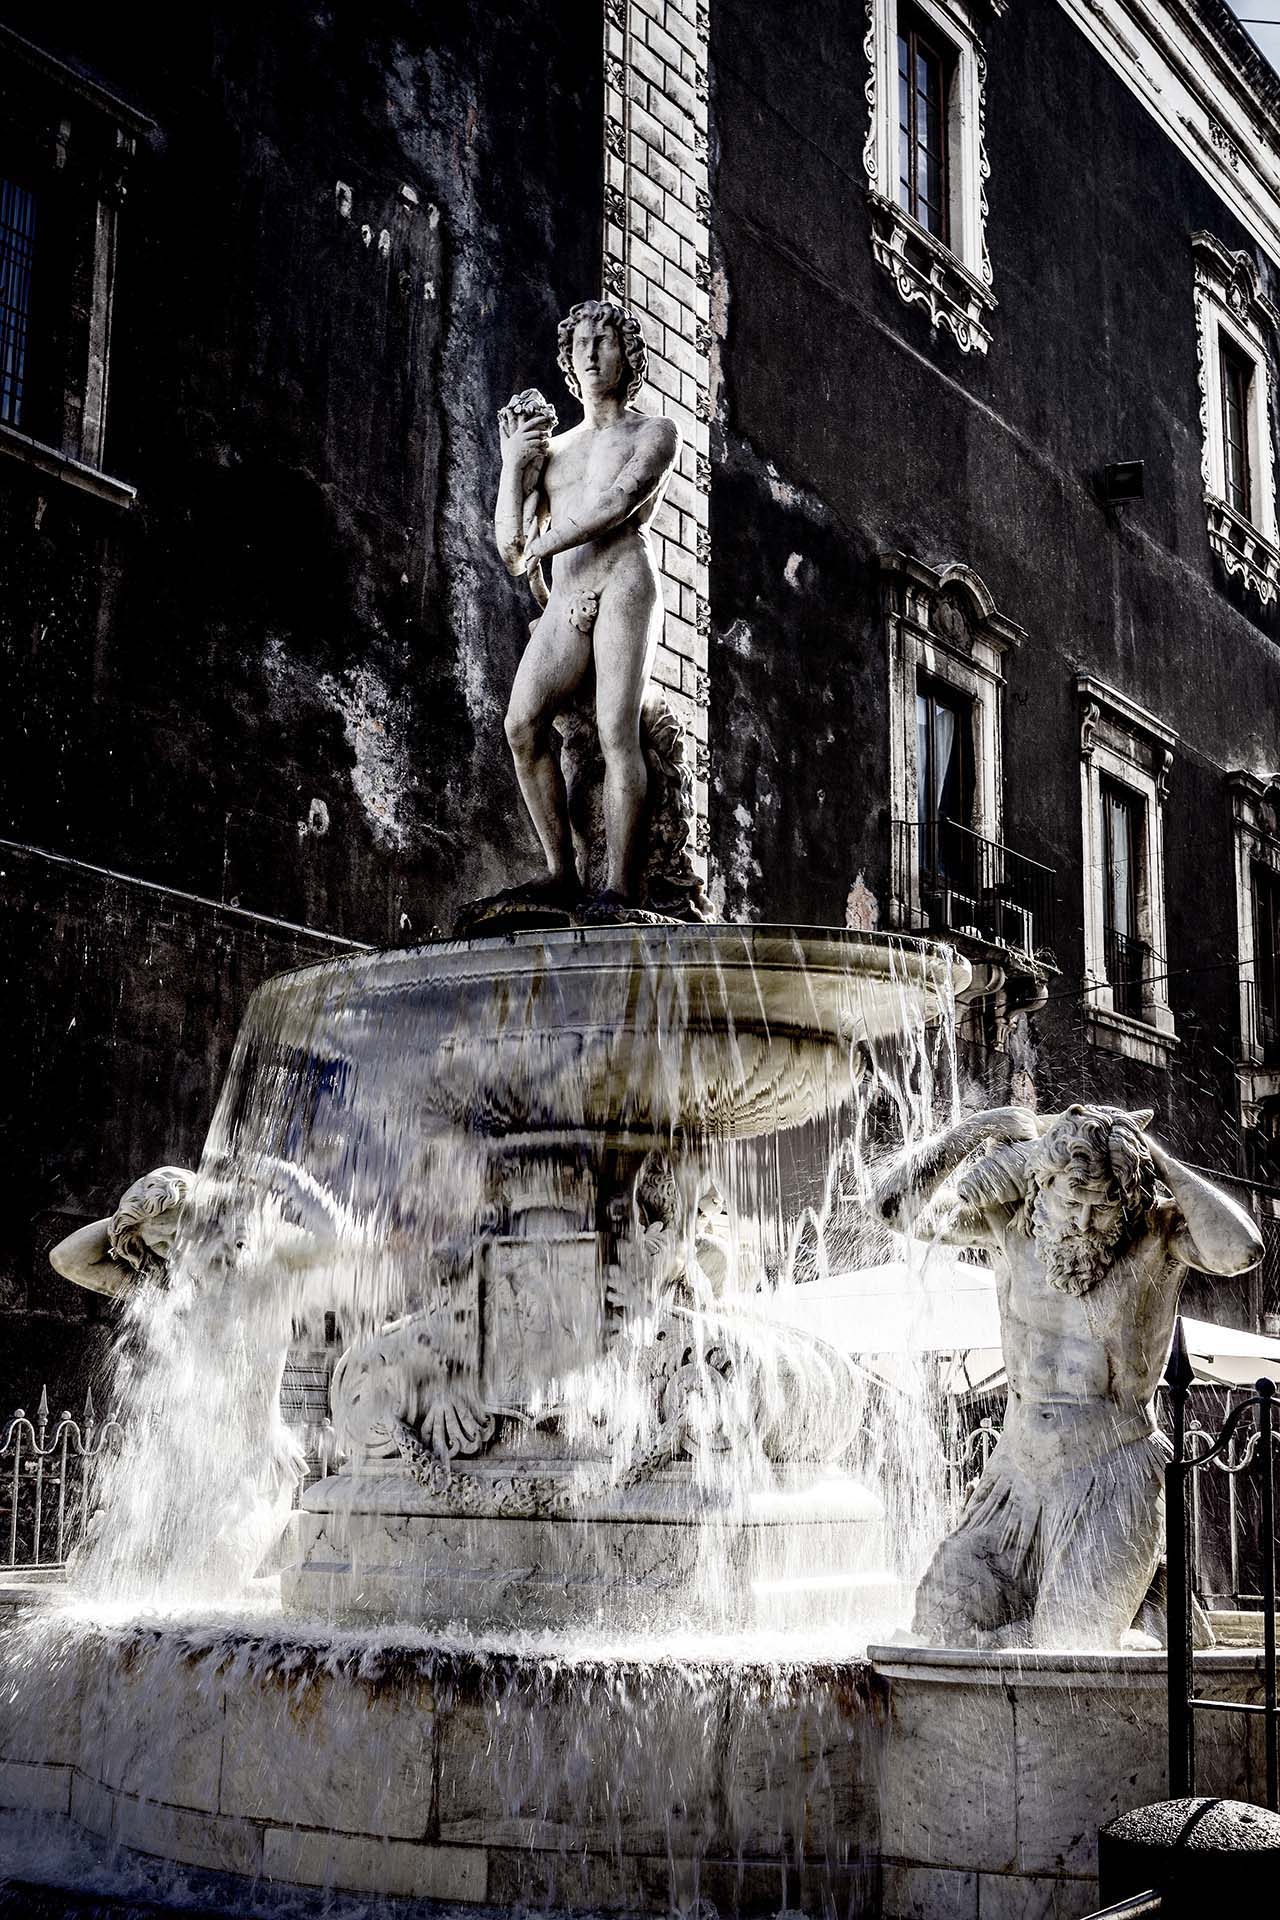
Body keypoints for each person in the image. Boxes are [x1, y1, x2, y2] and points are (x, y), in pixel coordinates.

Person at [874, 1102, 1263, 1648]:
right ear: (1042, 1187)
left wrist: (1151, 1154)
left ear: (1126, 1201)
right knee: (940, 1624)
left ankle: (1130, 1598)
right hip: (1014, 1476)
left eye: (1101, 1209)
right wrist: (978, 1130)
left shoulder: (1156, 1234)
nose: (1082, 1223)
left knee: (1070, 1649)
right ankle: (1146, 1608)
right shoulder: (1009, 1224)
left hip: (1111, 1470)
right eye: (1071, 1201)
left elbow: (1242, 1248)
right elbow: (894, 1209)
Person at [495, 299, 680, 907]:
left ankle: (620, 886)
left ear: (629, 357)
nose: (594, 354)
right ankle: (560, 871)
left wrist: (545, 545)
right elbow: (509, 546)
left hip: (623, 580)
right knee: (521, 724)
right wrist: (510, 467)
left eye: (606, 342)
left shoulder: (652, 432)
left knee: (614, 731)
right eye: (581, 345)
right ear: (568, 362)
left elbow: (619, 503)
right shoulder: (554, 451)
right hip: (567, 595)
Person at [48, 1166, 195, 1296]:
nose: (177, 1248)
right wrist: (126, 1223)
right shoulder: (168, 1294)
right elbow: (65, 1259)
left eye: (179, 1234)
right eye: (160, 1243)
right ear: (143, 1247)